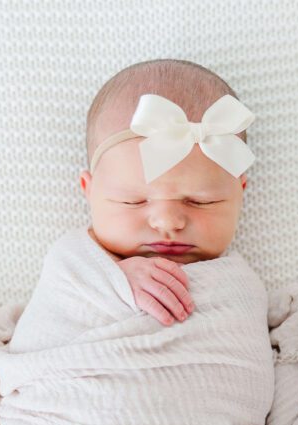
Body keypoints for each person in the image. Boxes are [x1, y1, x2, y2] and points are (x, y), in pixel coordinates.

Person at [78, 58, 252, 326]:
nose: (168, 221)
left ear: (240, 192)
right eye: (133, 201)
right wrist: (113, 281)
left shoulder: (240, 283)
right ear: (88, 191)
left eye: (200, 201)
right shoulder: (72, 266)